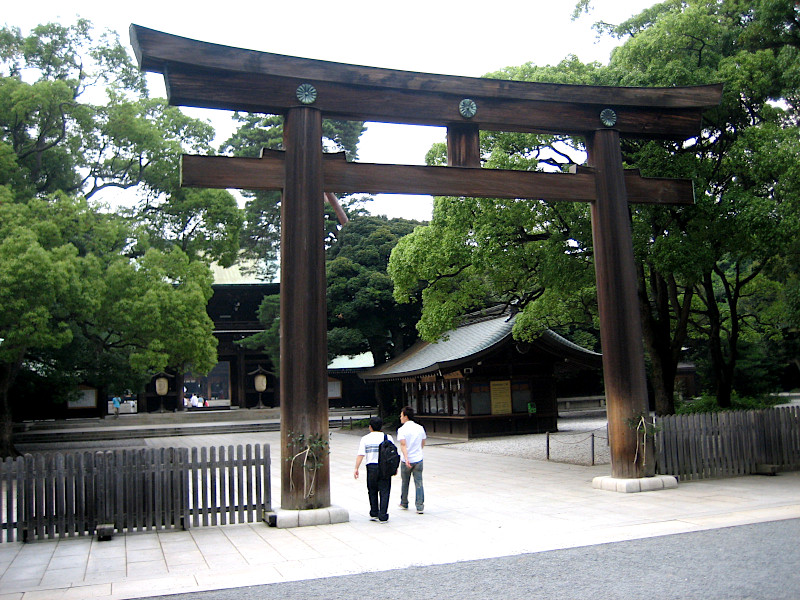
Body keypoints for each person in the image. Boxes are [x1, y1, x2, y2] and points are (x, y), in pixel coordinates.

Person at [354, 416, 395, 523]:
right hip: (385, 468)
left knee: (372, 489)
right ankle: (383, 514)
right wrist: (394, 468)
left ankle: (374, 512)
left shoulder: (365, 439)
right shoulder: (388, 437)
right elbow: (393, 455)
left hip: (371, 467)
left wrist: (356, 468)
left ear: (370, 427)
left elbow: (361, 454)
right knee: (385, 490)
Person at [397, 406, 427, 514]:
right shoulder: (420, 428)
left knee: (405, 481)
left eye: (401, 416)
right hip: (418, 458)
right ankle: (420, 506)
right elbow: (423, 441)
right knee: (419, 482)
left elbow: (403, 445)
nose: (400, 418)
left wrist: (406, 458)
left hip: (406, 460)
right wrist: (418, 450)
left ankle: (404, 502)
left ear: (405, 416)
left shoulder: (402, 430)